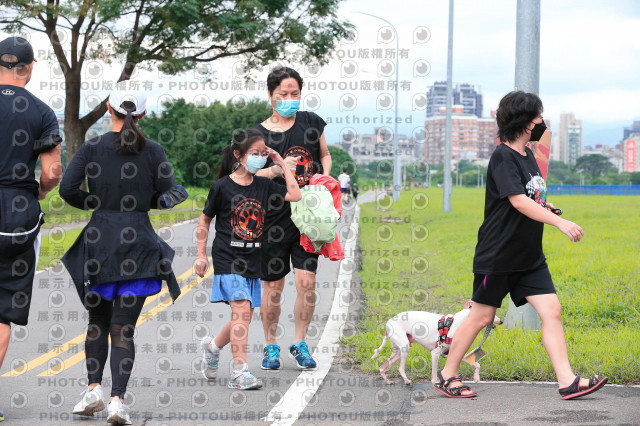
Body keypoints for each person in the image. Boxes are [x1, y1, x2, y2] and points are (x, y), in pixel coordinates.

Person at [433, 91, 607, 399]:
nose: (542, 123)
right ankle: (447, 374)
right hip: (499, 255)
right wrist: (560, 223)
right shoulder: (503, 156)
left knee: (552, 310)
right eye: (538, 117)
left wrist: (545, 206)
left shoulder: (528, 156)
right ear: (524, 122)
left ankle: (567, 380)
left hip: (529, 257)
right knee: (482, 317)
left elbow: (528, 197)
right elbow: (516, 200)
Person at [60, 82, 185, 424]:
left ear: (108, 109)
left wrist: (95, 203)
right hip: (140, 247)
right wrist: (150, 201)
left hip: (100, 243)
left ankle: (93, 390)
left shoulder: (92, 147)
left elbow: (67, 189)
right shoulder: (154, 150)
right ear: (142, 114)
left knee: (97, 323)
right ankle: (117, 401)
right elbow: (169, 194)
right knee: (123, 328)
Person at [195, 129, 301, 390]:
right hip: (228, 258)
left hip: (253, 259)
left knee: (241, 317)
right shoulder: (222, 187)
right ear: (238, 155)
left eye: (263, 153)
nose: (260, 158)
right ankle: (239, 373)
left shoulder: (264, 186)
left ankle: (212, 346)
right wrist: (201, 255)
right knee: (242, 311)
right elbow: (205, 220)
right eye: (255, 153)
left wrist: (280, 163)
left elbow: (295, 194)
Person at [0, 36, 62, 423]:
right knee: (2, 312)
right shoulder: (41, 112)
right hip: (17, 219)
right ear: (31, 68)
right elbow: (52, 172)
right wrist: (37, 191)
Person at [253, 66, 332, 371]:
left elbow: (324, 155)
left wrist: (323, 178)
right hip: (273, 218)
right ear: (270, 95)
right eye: (283, 94)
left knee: (307, 282)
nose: (289, 99)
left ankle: (300, 343)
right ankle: (271, 345)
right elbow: (248, 174)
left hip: (308, 216)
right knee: (273, 287)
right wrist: (278, 168)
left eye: (295, 93)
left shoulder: (311, 122)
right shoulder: (258, 134)